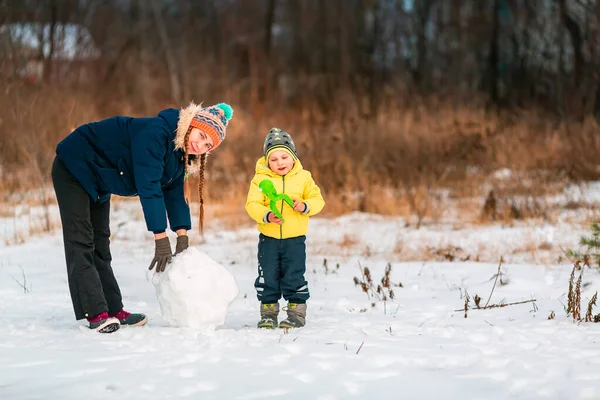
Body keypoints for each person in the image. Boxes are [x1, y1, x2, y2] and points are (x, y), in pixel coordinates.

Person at [51, 102, 233, 333]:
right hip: (75, 166)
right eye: (201, 135)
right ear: (191, 125)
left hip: (99, 177)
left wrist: (182, 236)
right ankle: (96, 313)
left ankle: (113, 309)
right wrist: (160, 239)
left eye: (208, 144)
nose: (200, 144)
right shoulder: (156, 134)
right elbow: (149, 186)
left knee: (101, 243)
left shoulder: (180, 154)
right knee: (81, 241)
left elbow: (174, 193)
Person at [245, 128, 325, 328]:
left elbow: (318, 200)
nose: (280, 162)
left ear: (293, 157)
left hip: (295, 240)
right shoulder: (260, 180)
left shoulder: (304, 177)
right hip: (269, 239)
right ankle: (268, 313)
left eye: (284, 157)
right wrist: (266, 215)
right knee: (268, 275)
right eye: (274, 159)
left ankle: (296, 313)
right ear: (266, 161)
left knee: (294, 274)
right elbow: (252, 204)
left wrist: (304, 206)